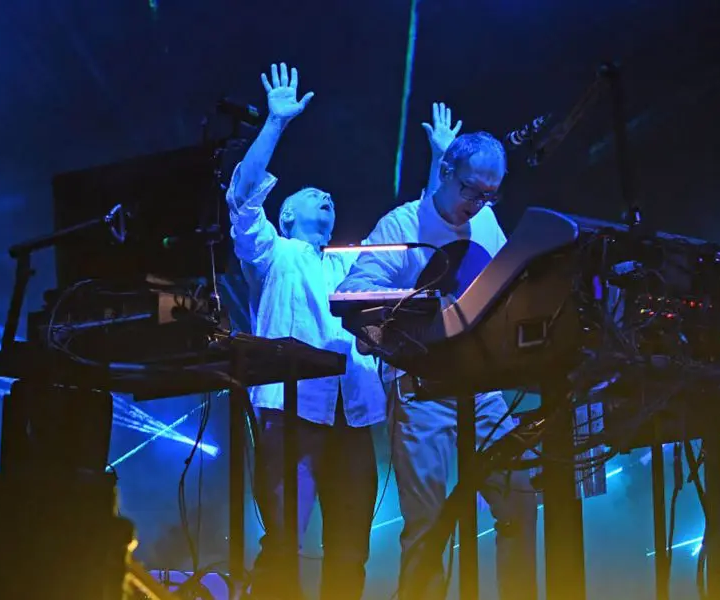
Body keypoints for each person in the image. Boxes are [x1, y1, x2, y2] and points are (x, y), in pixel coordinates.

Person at [225, 63, 463, 599]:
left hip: (354, 416)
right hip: (291, 410)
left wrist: (440, 162)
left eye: (329, 196)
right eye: (313, 195)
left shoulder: (352, 263)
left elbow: (422, 234)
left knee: (351, 551)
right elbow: (242, 198)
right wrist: (275, 123)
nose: (326, 198)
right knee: (283, 542)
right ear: (287, 215)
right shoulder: (274, 253)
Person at [337, 131, 539, 600]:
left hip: (482, 388)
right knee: (428, 522)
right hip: (420, 389)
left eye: (490, 194)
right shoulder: (401, 224)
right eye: (471, 190)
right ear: (446, 172)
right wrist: (415, 308)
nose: (479, 203)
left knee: (520, 500)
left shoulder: (487, 222)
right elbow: (353, 293)